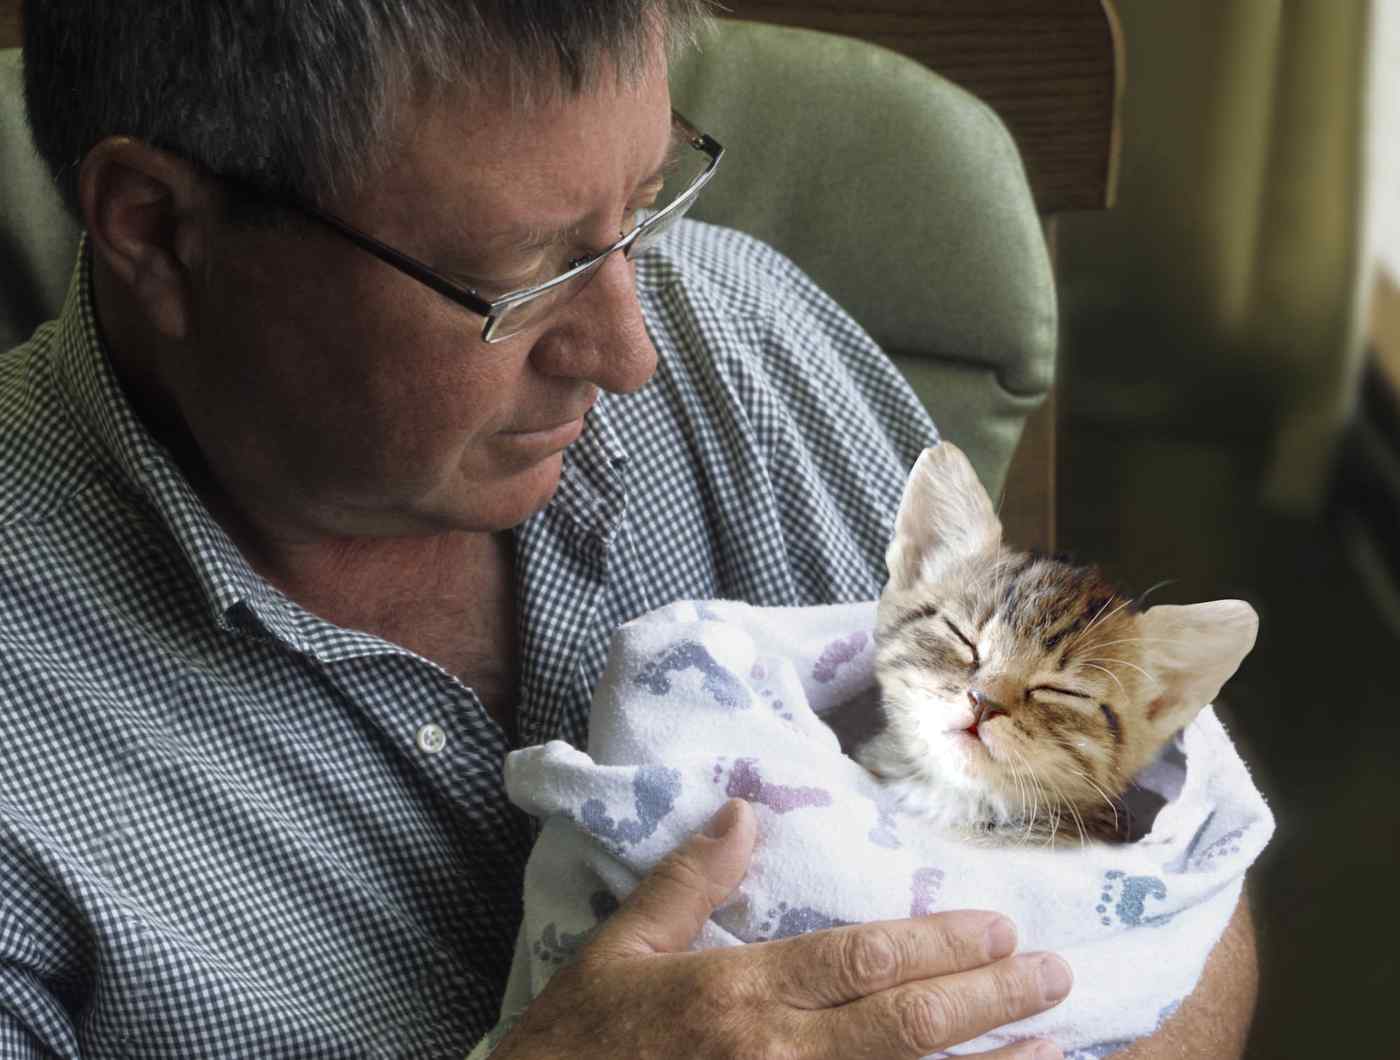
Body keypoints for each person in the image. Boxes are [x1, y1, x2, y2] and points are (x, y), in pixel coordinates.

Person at [0, 2, 1256, 1057]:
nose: (628, 352)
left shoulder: (750, 346)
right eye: (520, 270)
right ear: (157, 229)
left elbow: (1171, 887)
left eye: (644, 206)